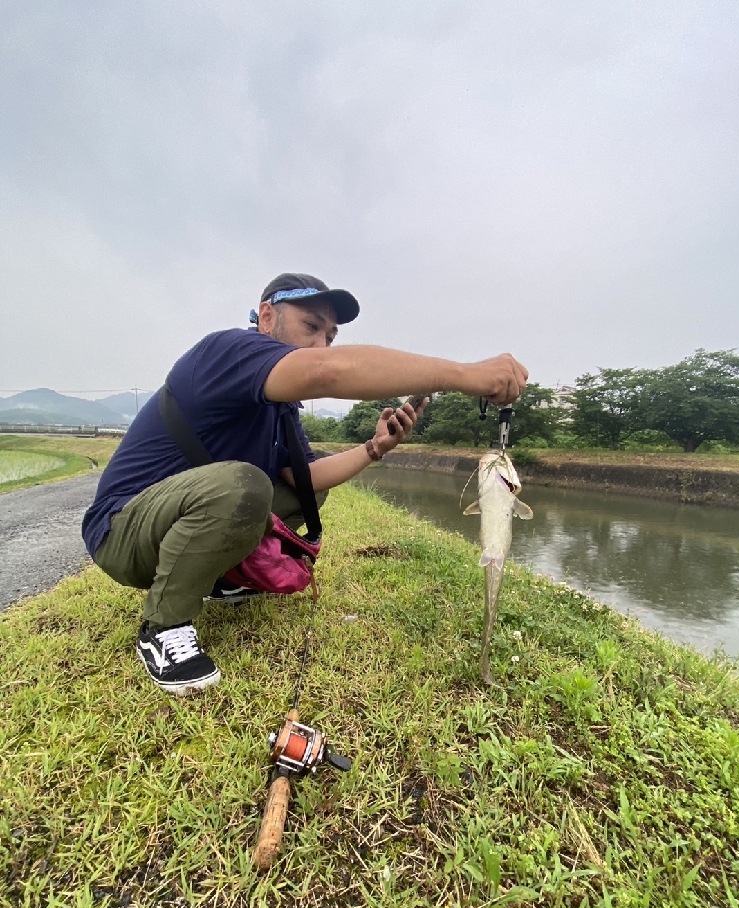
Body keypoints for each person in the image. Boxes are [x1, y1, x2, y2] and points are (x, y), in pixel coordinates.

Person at [82, 273, 528, 696]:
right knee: (245, 485)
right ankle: (163, 628)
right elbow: (325, 371)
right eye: (311, 326)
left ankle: (216, 577)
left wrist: (376, 447)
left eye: (330, 338)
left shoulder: (281, 409)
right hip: (122, 532)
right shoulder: (228, 351)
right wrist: (468, 375)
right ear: (267, 316)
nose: (321, 344)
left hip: (179, 521)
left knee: (303, 494)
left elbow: (305, 478)